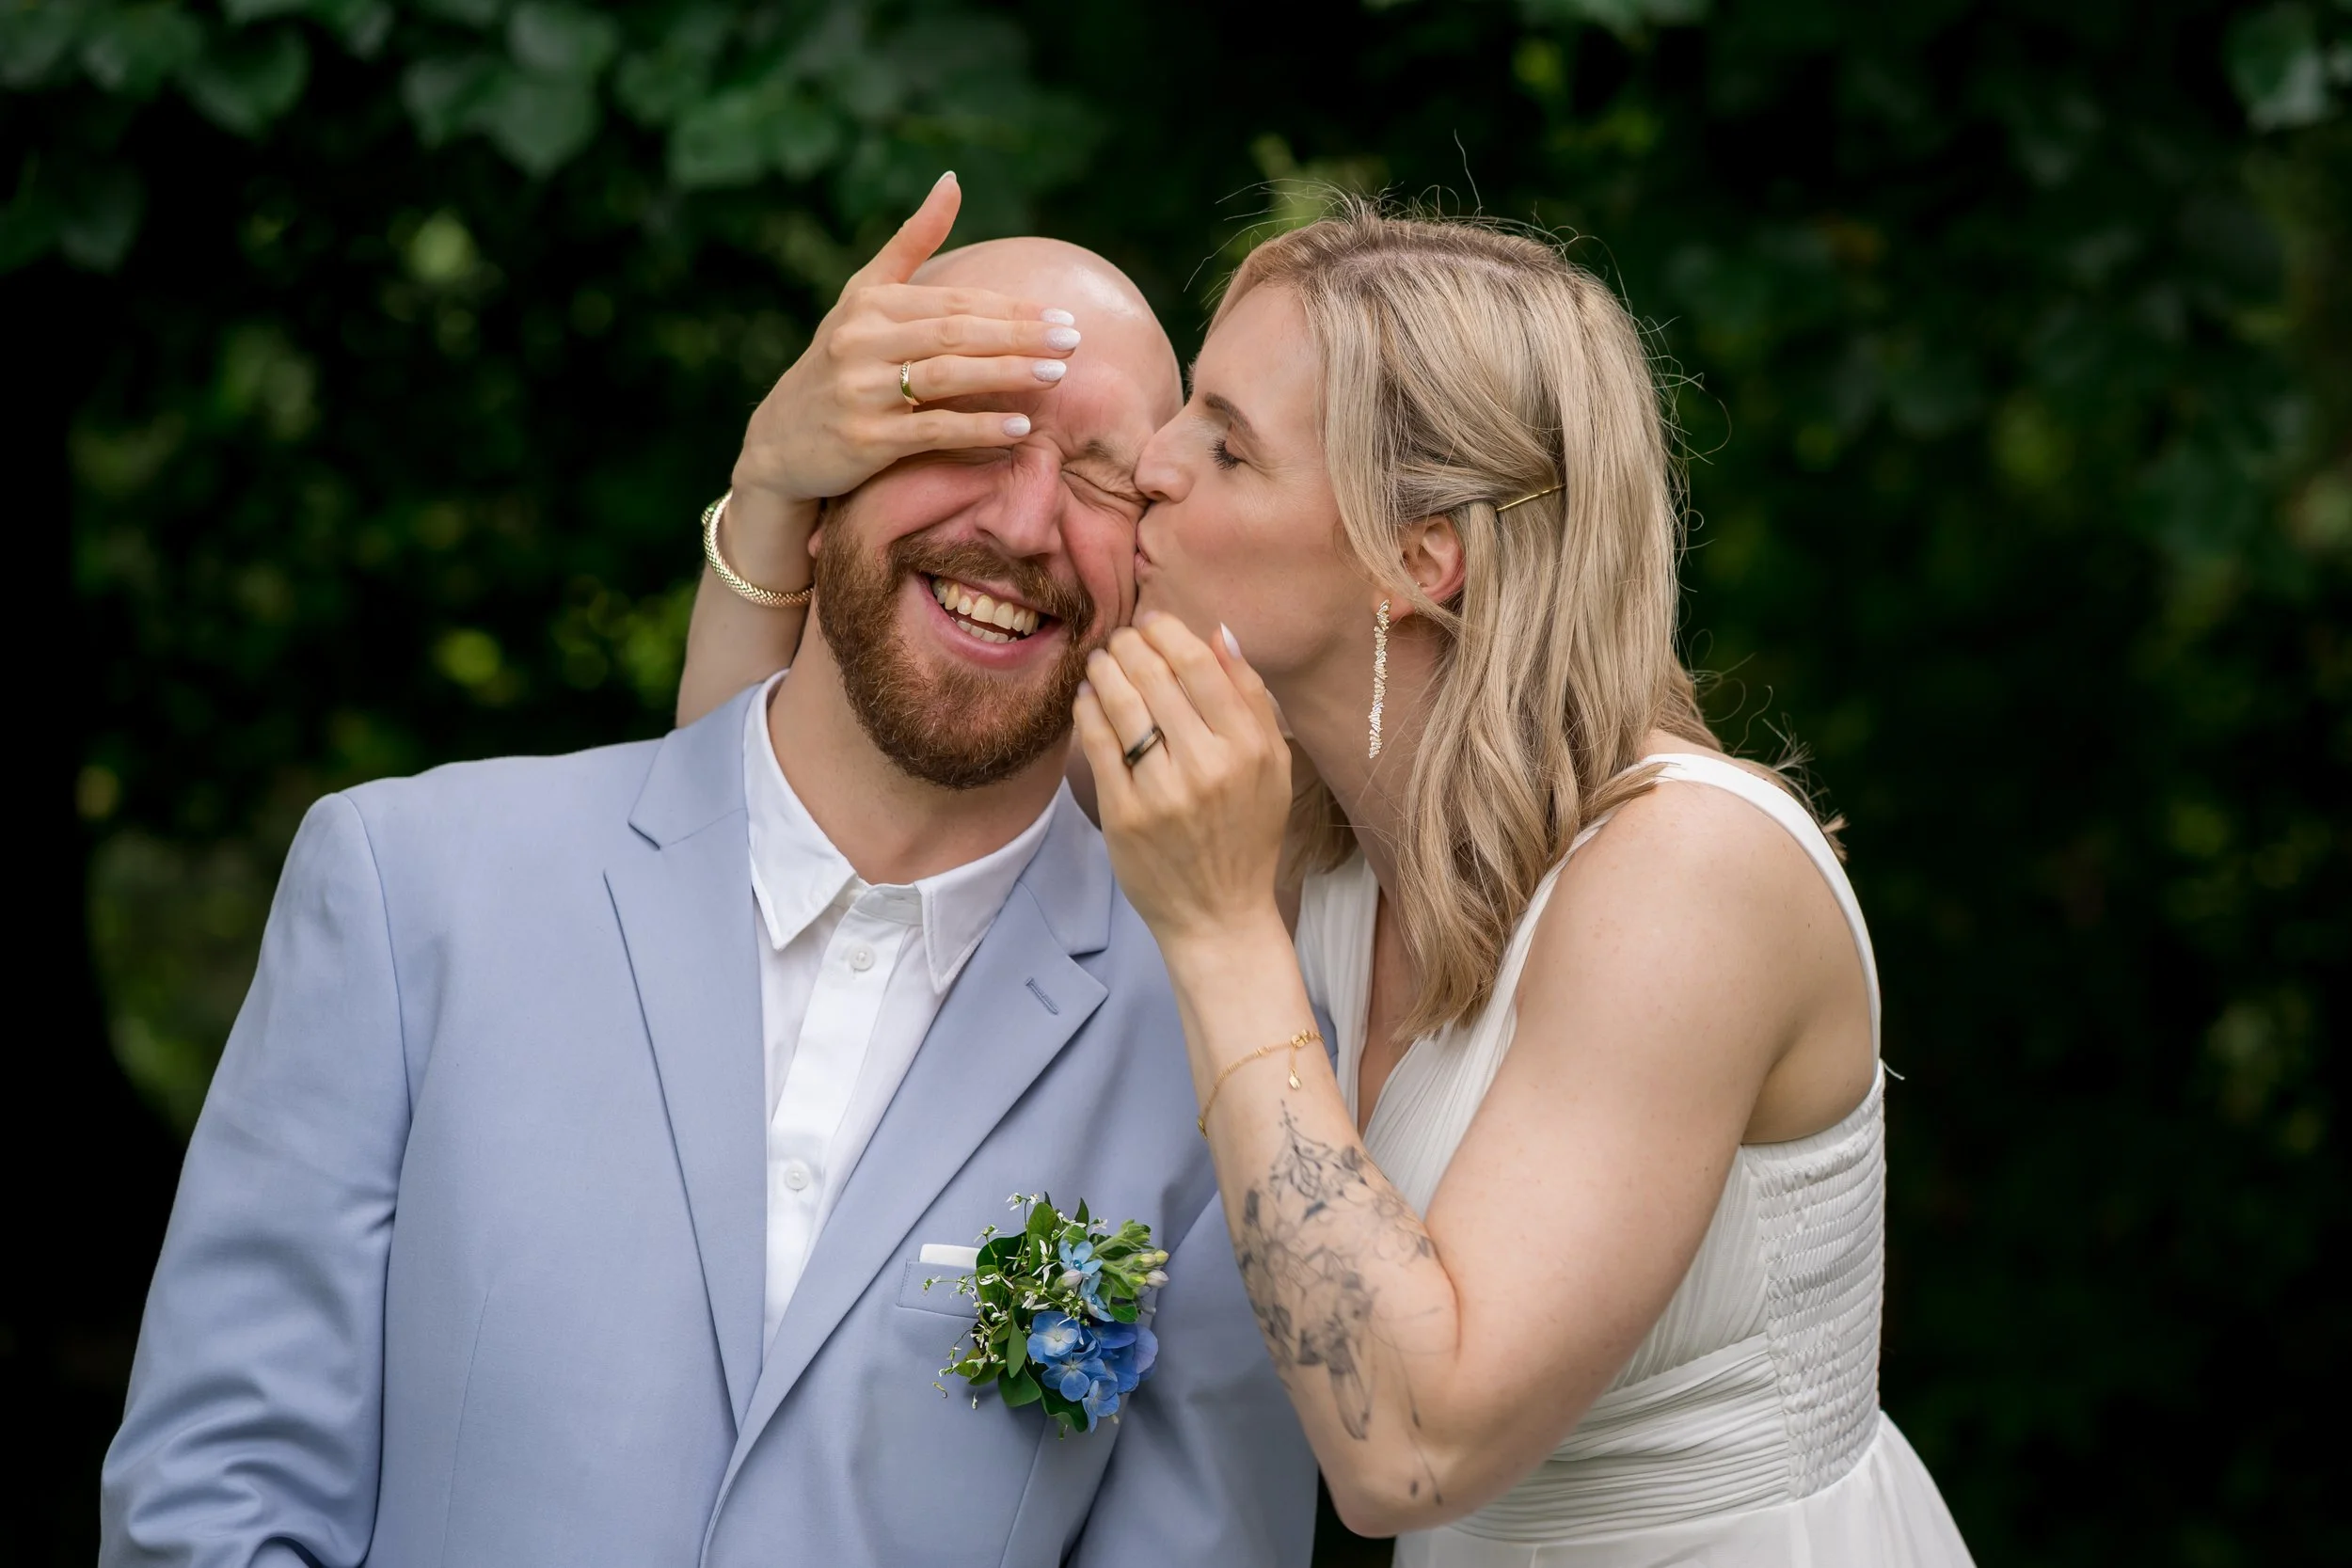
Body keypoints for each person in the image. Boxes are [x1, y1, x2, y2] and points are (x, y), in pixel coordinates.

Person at [682, 196, 1976, 1565]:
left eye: (1226, 444)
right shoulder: (1303, 817)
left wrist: (1222, 923)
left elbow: (1410, 1446)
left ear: (1416, 560)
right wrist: (773, 485)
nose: (1153, 470)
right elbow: (784, 808)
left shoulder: (1686, 874)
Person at [100, 173, 1316, 1568]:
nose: (1026, 522)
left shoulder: (1220, 1067)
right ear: (820, 471)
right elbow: (211, 1503)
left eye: (1103, 472)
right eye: (963, 426)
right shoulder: (408, 889)